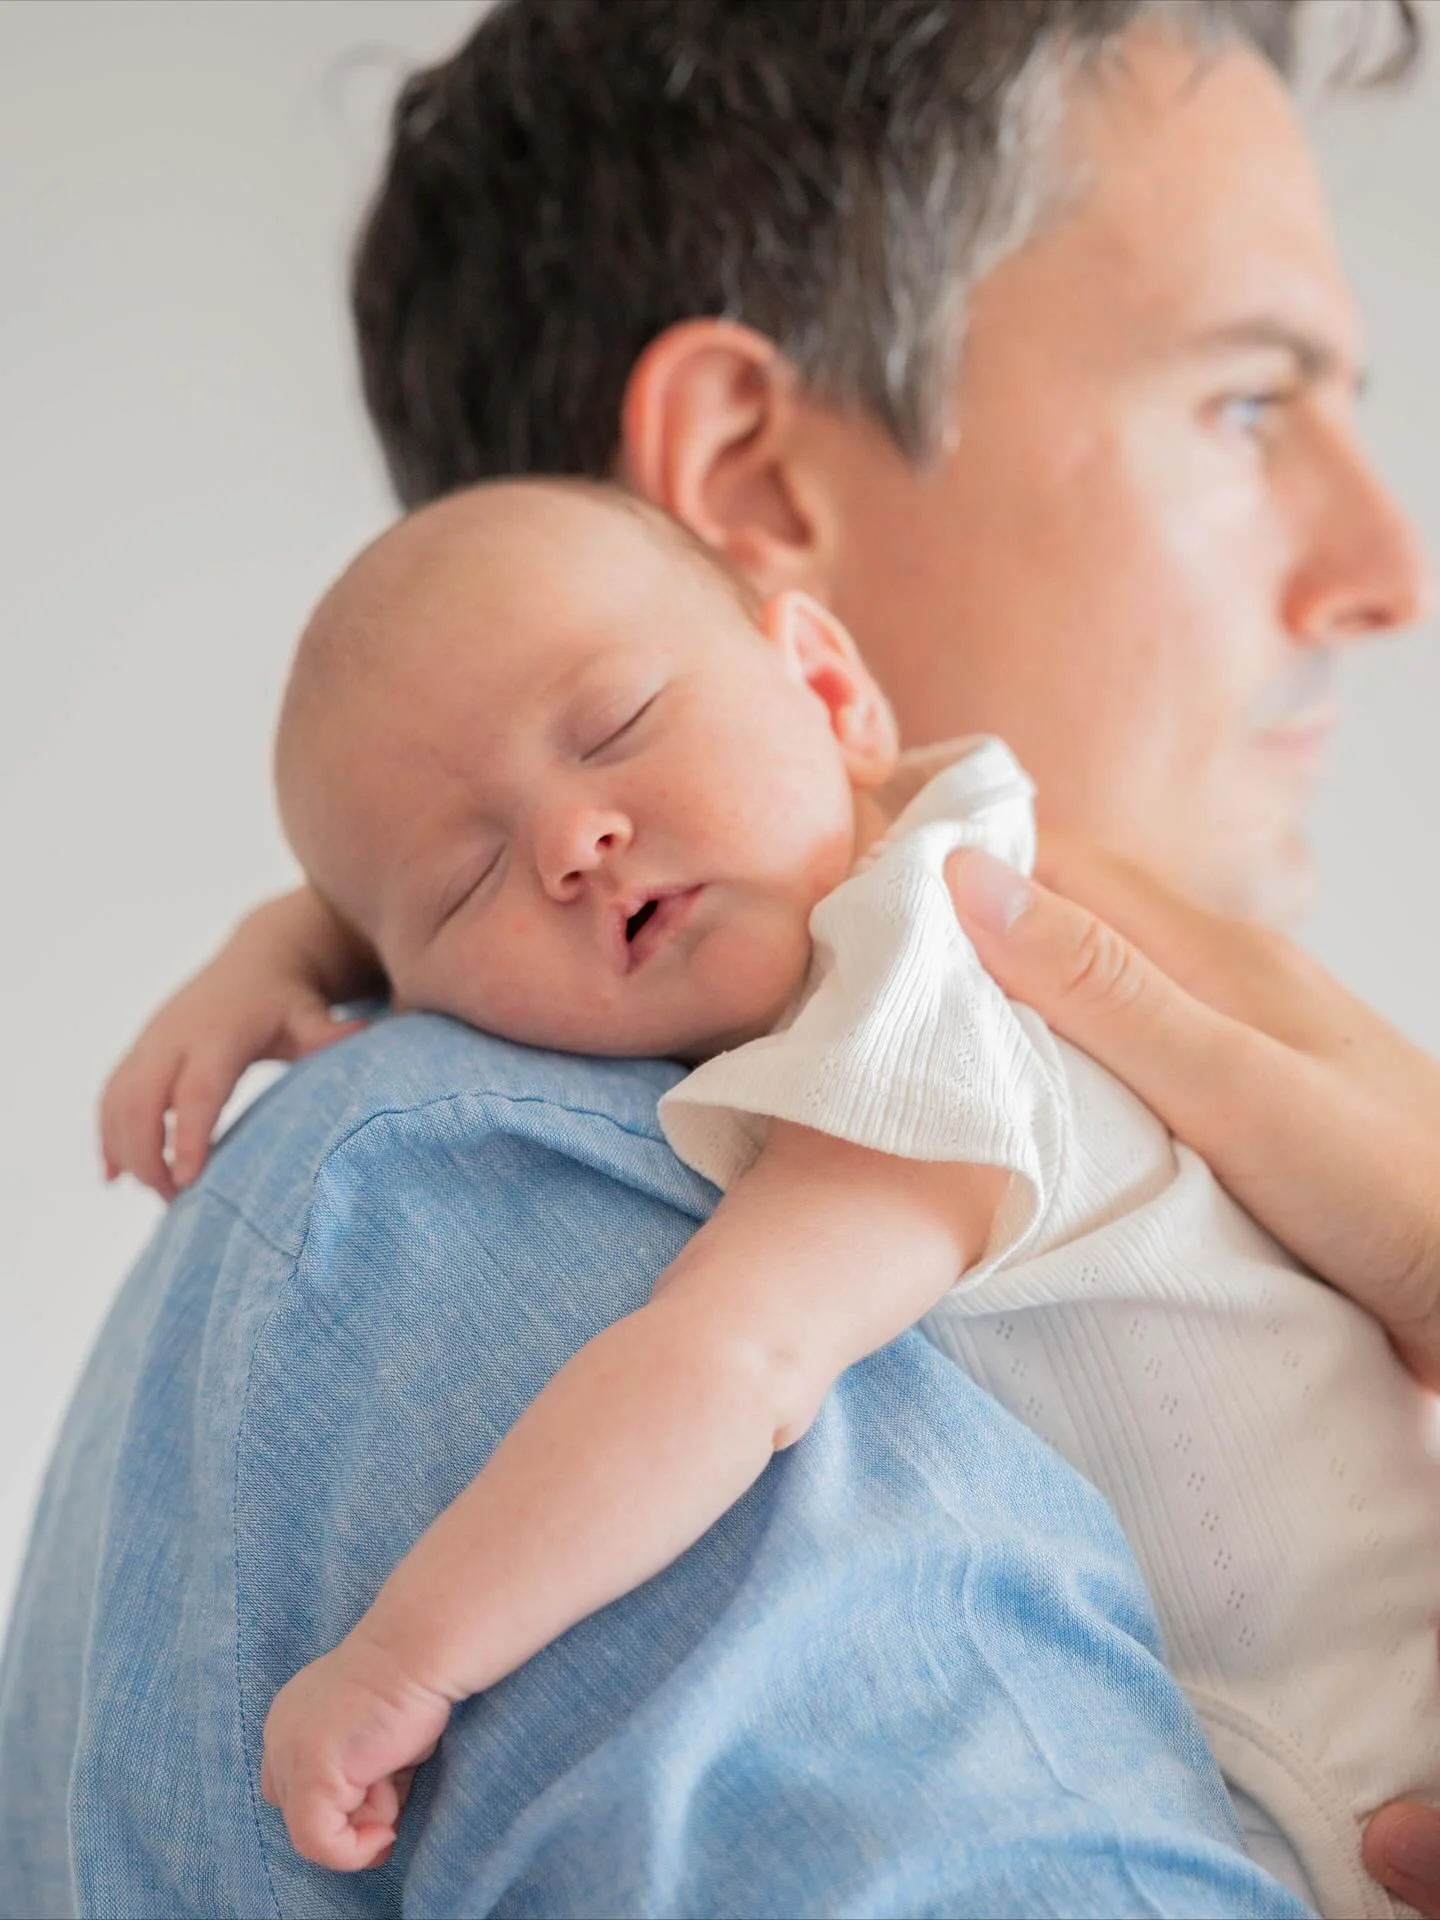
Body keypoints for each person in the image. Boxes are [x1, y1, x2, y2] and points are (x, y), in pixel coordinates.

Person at [4, 1, 1439, 1915]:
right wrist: (406, 1669)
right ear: (754, 485)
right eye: (1247, 406)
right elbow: (734, 1357)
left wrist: (312, 930)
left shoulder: (846, 974)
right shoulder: (510, 1189)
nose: (1386, 569)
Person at [148, 470, 1433, 1920]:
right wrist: (291, 946)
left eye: (616, 731)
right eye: (466, 882)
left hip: (1348, 1798)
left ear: (831, 685)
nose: (573, 842)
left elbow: (728, 1362)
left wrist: (406, 1659)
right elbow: (432, 797)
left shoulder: (924, 975)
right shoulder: (880, 854)